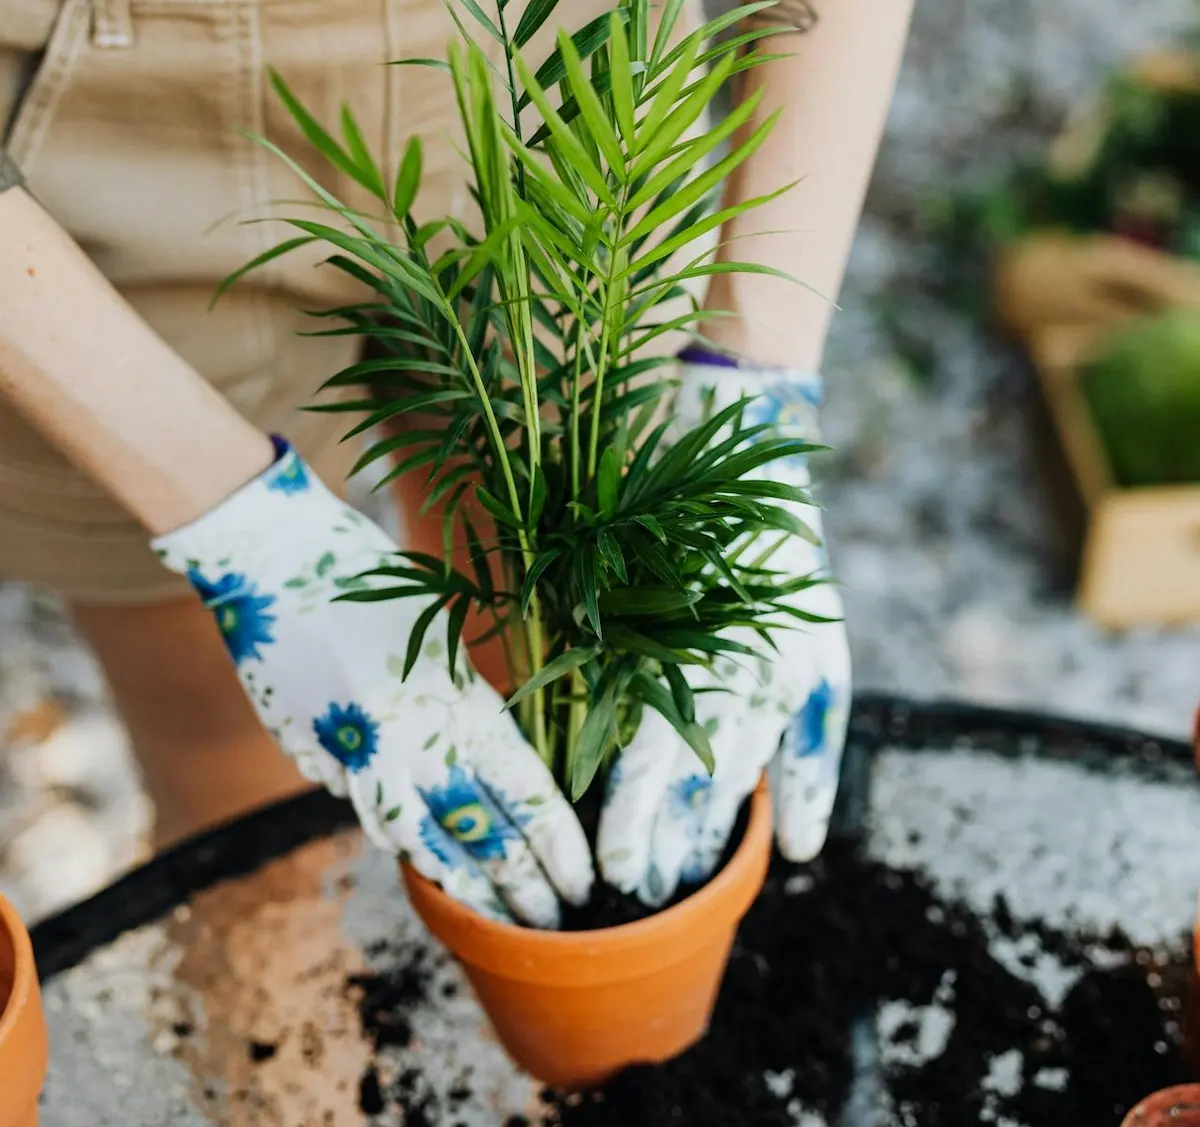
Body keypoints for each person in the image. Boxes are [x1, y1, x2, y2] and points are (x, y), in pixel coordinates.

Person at [0, 0, 914, 927]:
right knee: (244, 808)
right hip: (104, 122)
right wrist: (240, 528)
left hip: (562, 72)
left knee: (577, 642)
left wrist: (751, 381)